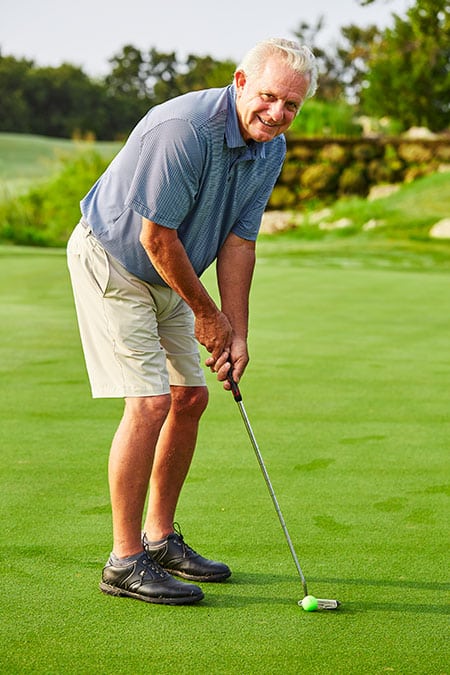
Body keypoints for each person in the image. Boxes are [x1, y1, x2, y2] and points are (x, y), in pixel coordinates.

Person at [67, 37, 318, 606]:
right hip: (115, 260)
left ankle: (159, 540)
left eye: (291, 106)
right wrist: (208, 316)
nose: (277, 114)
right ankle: (124, 561)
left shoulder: (268, 148)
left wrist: (238, 330)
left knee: (191, 397)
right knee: (152, 401)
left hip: (172, 271)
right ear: (239, 81)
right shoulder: (183, 130)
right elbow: (154, 237)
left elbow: (239, 241)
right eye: (269, 97)